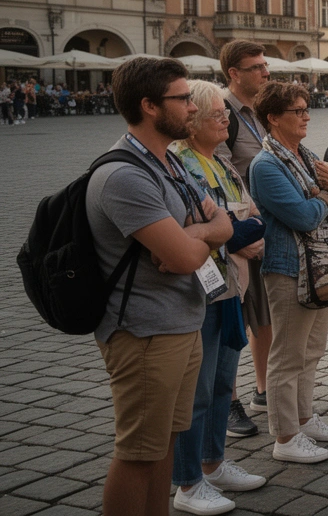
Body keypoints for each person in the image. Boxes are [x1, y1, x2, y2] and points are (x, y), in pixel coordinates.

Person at [89, 57, 233, 516]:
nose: (192, 107)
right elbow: (189, 255)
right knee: (138, 453)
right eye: (183, 98)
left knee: (165, 444)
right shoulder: (124, 175)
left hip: (180, 321)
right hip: (145, 331)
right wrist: (196, 236)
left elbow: (224, 224)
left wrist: (194, 233)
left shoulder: (169, 161)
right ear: (149, 106)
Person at [171, 80, 267, 514]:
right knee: (199, 390)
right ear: (191, 124)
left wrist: (234, 231)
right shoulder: (183, 167)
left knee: (224, 382)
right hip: (203, 291)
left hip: (231, 286)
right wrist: (234, 232)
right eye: (217, 115)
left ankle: (214, 463)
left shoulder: (221, 163)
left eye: (225, 114)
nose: (226, 119)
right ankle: (188, 482)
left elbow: (248, 217)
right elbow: (205, 228)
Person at [250, 82, 328, 463]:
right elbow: (305, 217)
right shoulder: (266, 165)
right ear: (274, 118)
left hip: (321, 263)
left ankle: (305, 417)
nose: (307, 115)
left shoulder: (306, 156)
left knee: (312, 350)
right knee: (288, 355)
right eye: (298, 110)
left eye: (307, 108)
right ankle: (285, 437)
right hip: (289, 267)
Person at [215, 40, 271, 434]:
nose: (265, 73)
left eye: (265, 66)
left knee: (266, 317)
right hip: (239, 235)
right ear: (234, 73)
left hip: (266, 230)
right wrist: (241, 231)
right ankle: (229, 401)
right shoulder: (222, 115)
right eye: (256, 67)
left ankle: (264, 389)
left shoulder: (260, 112)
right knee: (236, 321)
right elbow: (218, 180)